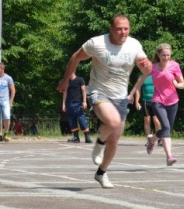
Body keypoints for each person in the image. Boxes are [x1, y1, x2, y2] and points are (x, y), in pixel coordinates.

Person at [56, 13, 151, 188]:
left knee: (114, 141)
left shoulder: (134, 45)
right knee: (113, 121)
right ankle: (99, 143)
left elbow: (147, 70)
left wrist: (147, 66)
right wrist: (65, 80)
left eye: (126, 29)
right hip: (98, 92)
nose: (123, 32)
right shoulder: (97, 43)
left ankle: (101, 173)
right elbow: (75, 57)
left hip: (120, 97)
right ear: (111, 29)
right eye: (119, 29)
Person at [130, 43, 184, 166]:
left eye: (168, 55)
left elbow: (183, 84)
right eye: (163, 55)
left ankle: (152, 140)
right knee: (165, 127)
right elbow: (140, 81)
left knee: (167, 129)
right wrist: (131, 94)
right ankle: (169, 156)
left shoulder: (175, 66)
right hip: (158, 101)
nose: (166, 57)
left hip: (173, 101)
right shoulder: (153, 67)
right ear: (158, 55)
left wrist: (177, 85)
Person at [62, 73, 92, 143]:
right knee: (71, 120)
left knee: (82, 120)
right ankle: (76, 137)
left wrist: (84, 101)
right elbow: (65, 92)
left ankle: (87, 137)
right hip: (69, 104)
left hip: (78, 103)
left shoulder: (80, 80)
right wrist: (63, 104)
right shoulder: (66, 81)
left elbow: (84, 91)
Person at [133, 74, 161, 145]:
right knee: (147, 120)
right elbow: (138, 90)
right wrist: (136, 102)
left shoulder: (156, 75)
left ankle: (159, 138)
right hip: (145, 101)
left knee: (156, 121)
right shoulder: (141, 76)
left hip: (156, 101)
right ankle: (149, 139)